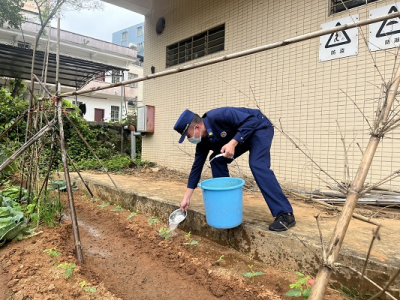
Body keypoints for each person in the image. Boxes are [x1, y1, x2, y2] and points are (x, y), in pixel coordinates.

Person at [173, 107, 296, 231]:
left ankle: (285, 214)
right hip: (242, 136)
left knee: (257, 164)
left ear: (197, 128)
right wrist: (186, 198)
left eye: (188, 136)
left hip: (259, 127)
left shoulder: (219, 115)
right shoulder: (202, 142)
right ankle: (226, 205)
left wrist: (232, 143)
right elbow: (197, 167)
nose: (190, 139)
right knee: (216, 159)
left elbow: (252, 120)